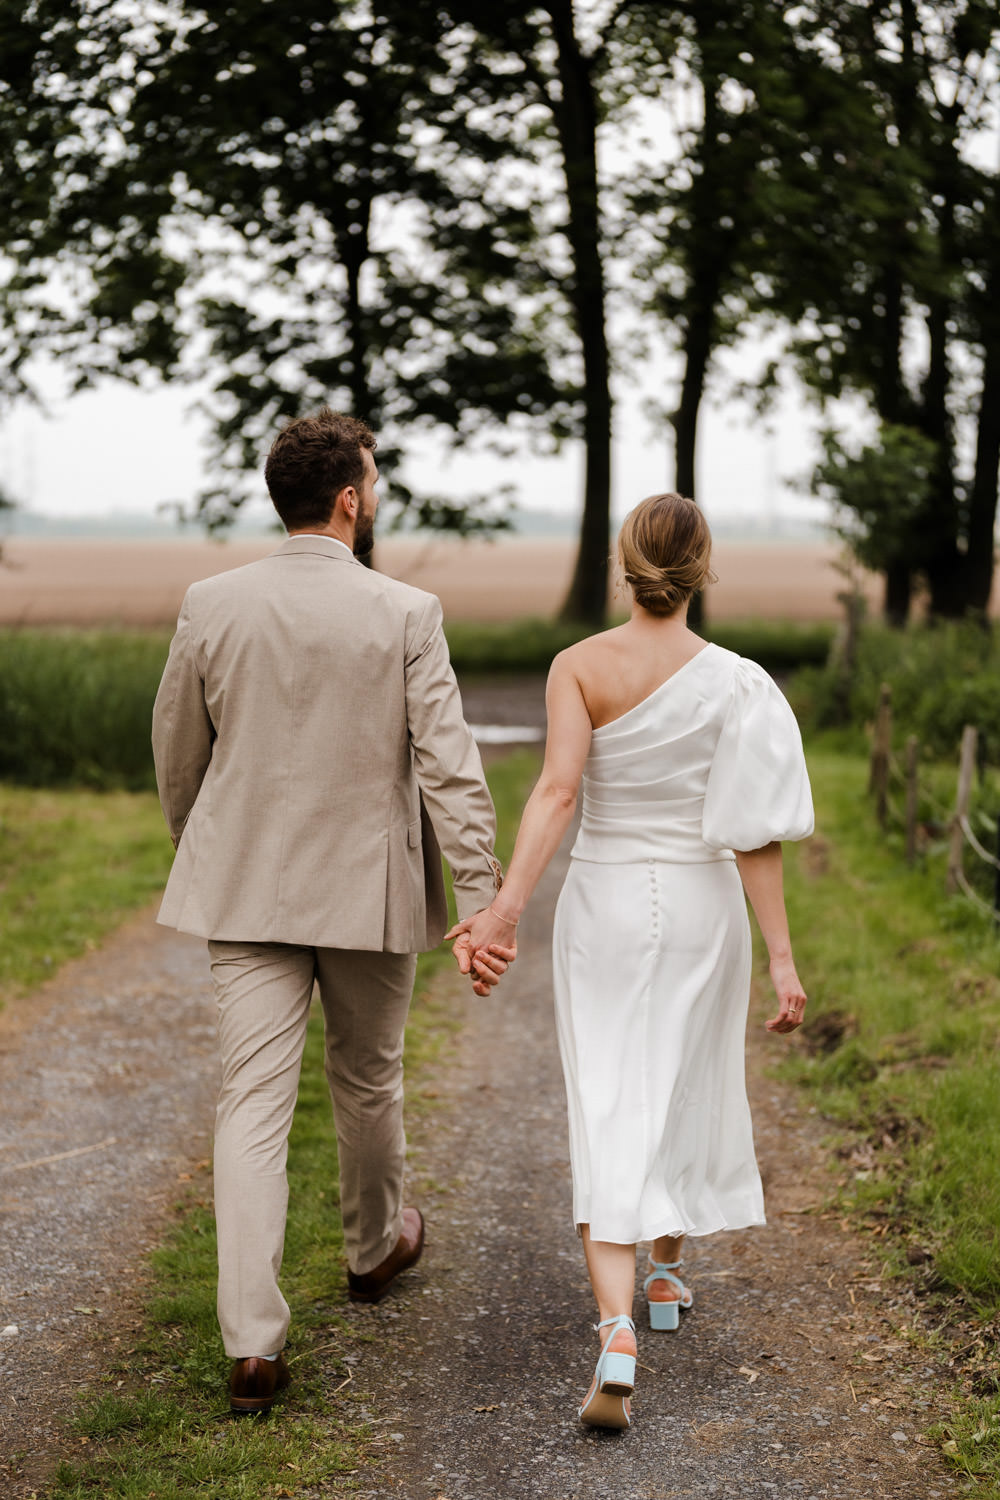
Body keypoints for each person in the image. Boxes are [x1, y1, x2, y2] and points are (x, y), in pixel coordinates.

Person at [152, 408, 509, 1414]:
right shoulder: (406, 612)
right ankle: (371, 1248)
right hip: (368, 892)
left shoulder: (211, 603)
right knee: (367, 1079)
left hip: (246, 885)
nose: (378, 490)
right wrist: (478, 899)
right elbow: (449, 766)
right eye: (376, 477)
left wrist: (205, 845)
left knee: (251, 1102)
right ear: (350, 496)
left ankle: (253, 1346)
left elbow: (177, 747)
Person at [448, 493, 813, 1431]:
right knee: (683, 1074)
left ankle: (618, 1325)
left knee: (611, 1089)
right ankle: (663, 1277)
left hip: (606, 901)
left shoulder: (580, 665)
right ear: (704, 569)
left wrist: (502, 909)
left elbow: (558, 791)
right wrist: (781, 958)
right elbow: (754, 835)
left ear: (625, 563)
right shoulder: (740, 683)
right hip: (702, 906)